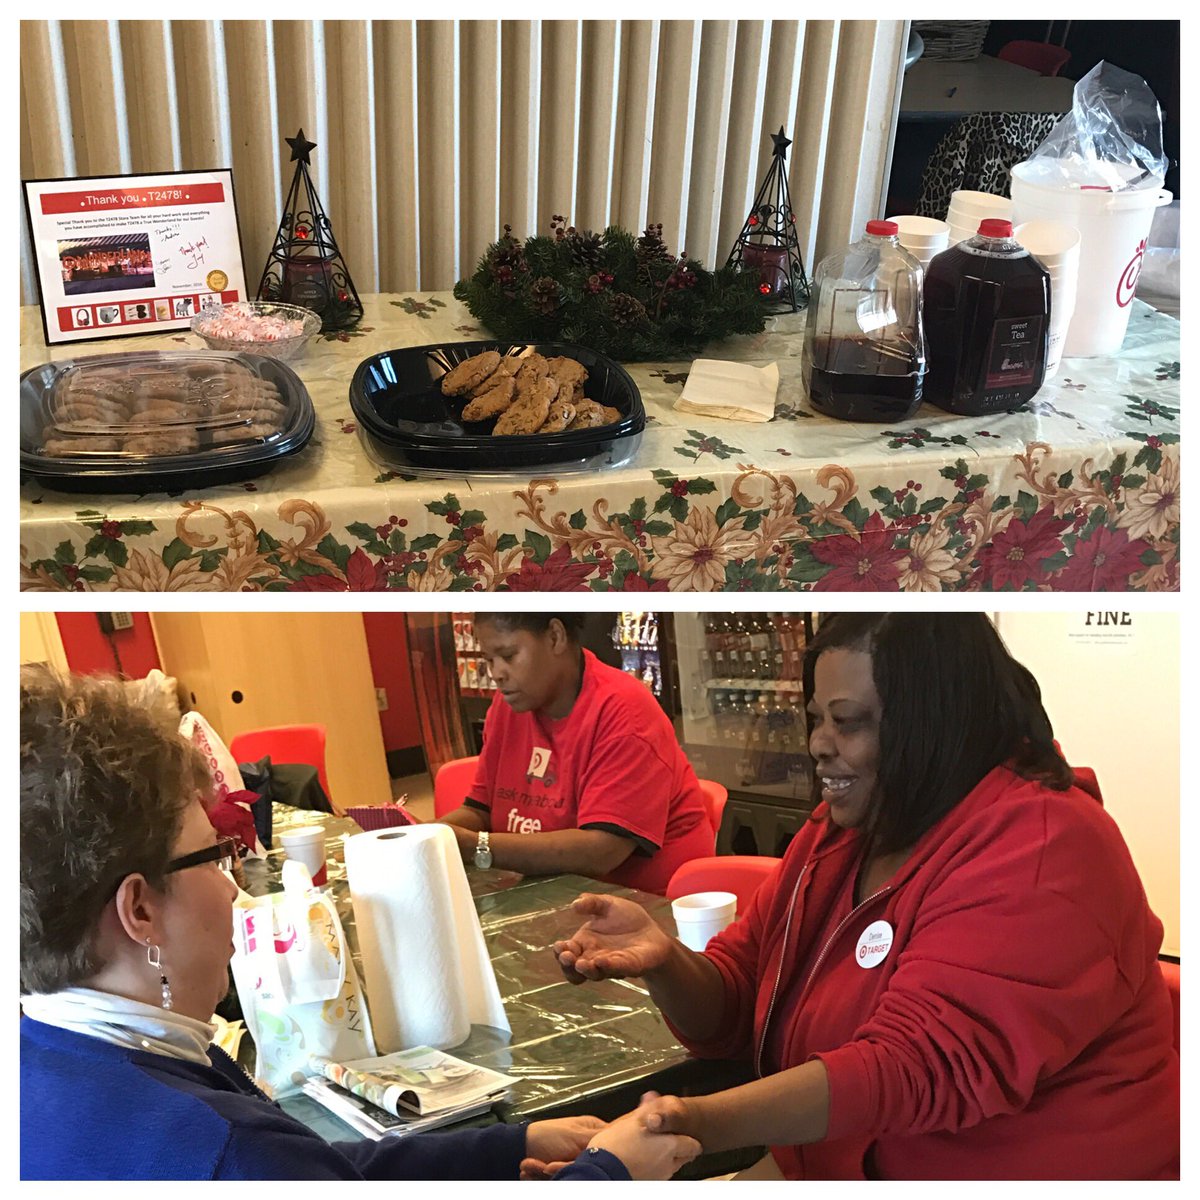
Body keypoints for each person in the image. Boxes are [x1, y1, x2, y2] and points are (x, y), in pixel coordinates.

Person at [553, 613, 1180, 1180]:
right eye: (815, 718)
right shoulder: (846, 829)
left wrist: (684, 1125)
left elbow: (911, 1070)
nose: (820, 743)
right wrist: (666, 962)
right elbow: (741, 1002)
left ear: (931, 722)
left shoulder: (1047, 847)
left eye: (847, 722)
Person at [20, 665, 701, 1181]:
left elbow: (323, 1172)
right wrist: (608, 1175)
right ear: (139, 909)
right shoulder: (224, 1152)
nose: (231, 887)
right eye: (215, 855)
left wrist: (508, 1143)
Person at [439, 613, 713, 894]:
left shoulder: (624, 713)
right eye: (488, 660)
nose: (496, 673)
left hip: (647, 903)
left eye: (508, 655)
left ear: (555, 637)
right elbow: (480, 808)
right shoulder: (507, 707)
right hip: (550, 890)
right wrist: (428, 836)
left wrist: (478, 847)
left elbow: (602, 850)